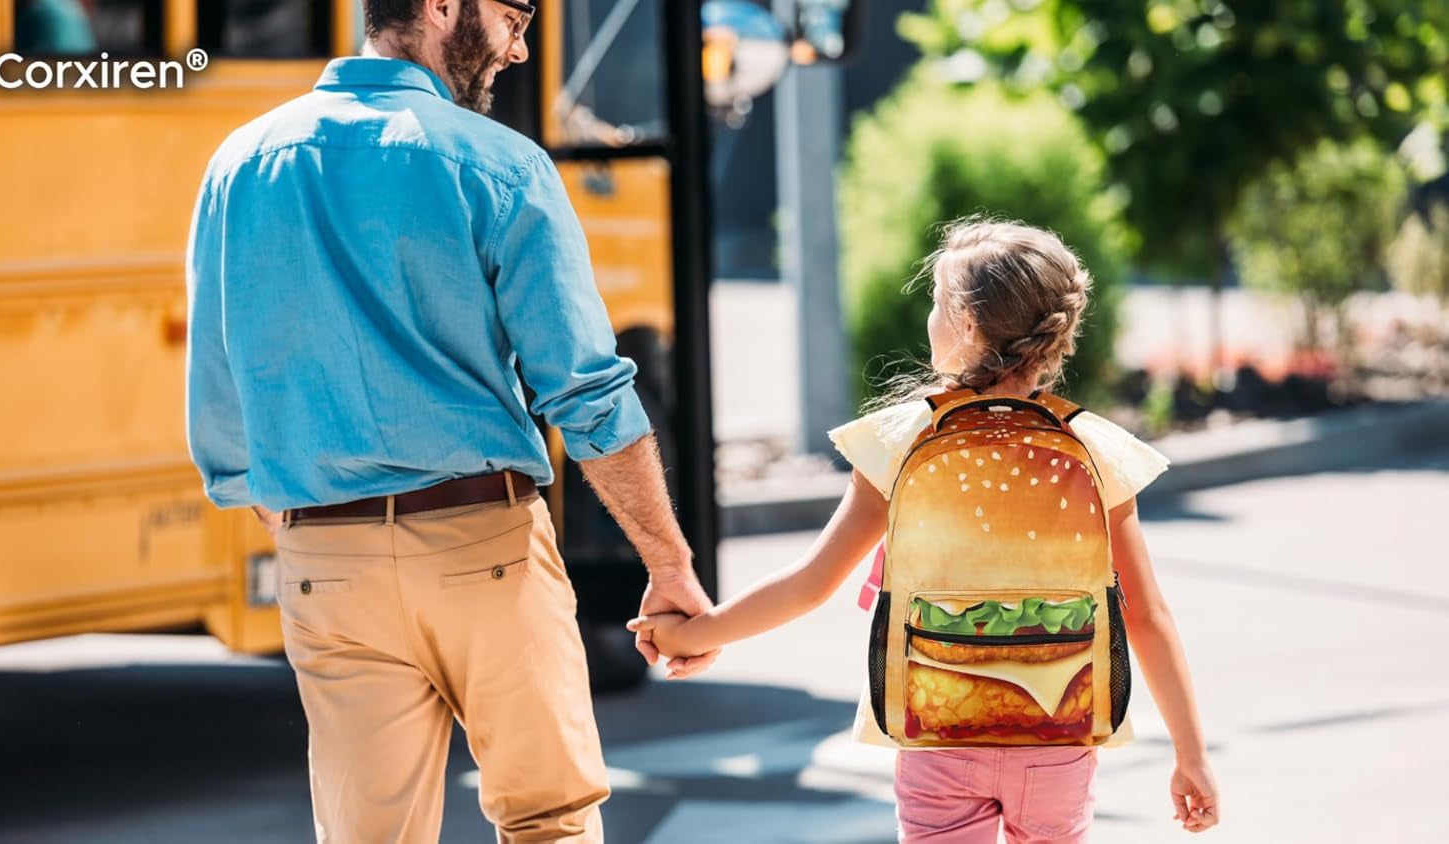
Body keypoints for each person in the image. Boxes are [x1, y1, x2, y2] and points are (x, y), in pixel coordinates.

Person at [184, 1, 714, 840]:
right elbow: (584, 390)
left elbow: (220, 395)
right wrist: (668, 562)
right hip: (482, 545)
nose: (520, 45)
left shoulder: (241, 163)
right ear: (440, 6)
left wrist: (311, 519)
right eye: (513, 15)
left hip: (327, 561)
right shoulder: (498, 163)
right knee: (550, 821)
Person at [631, 219, 1220, 842]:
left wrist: (695, 633)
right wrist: (1191, 757)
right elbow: (1148, 615)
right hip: (1058, 737)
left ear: (967, 325)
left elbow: (810, 583)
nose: (930, 318)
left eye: (938, 303)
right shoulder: (1092, 450)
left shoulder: (903, 441)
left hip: (940, 732)